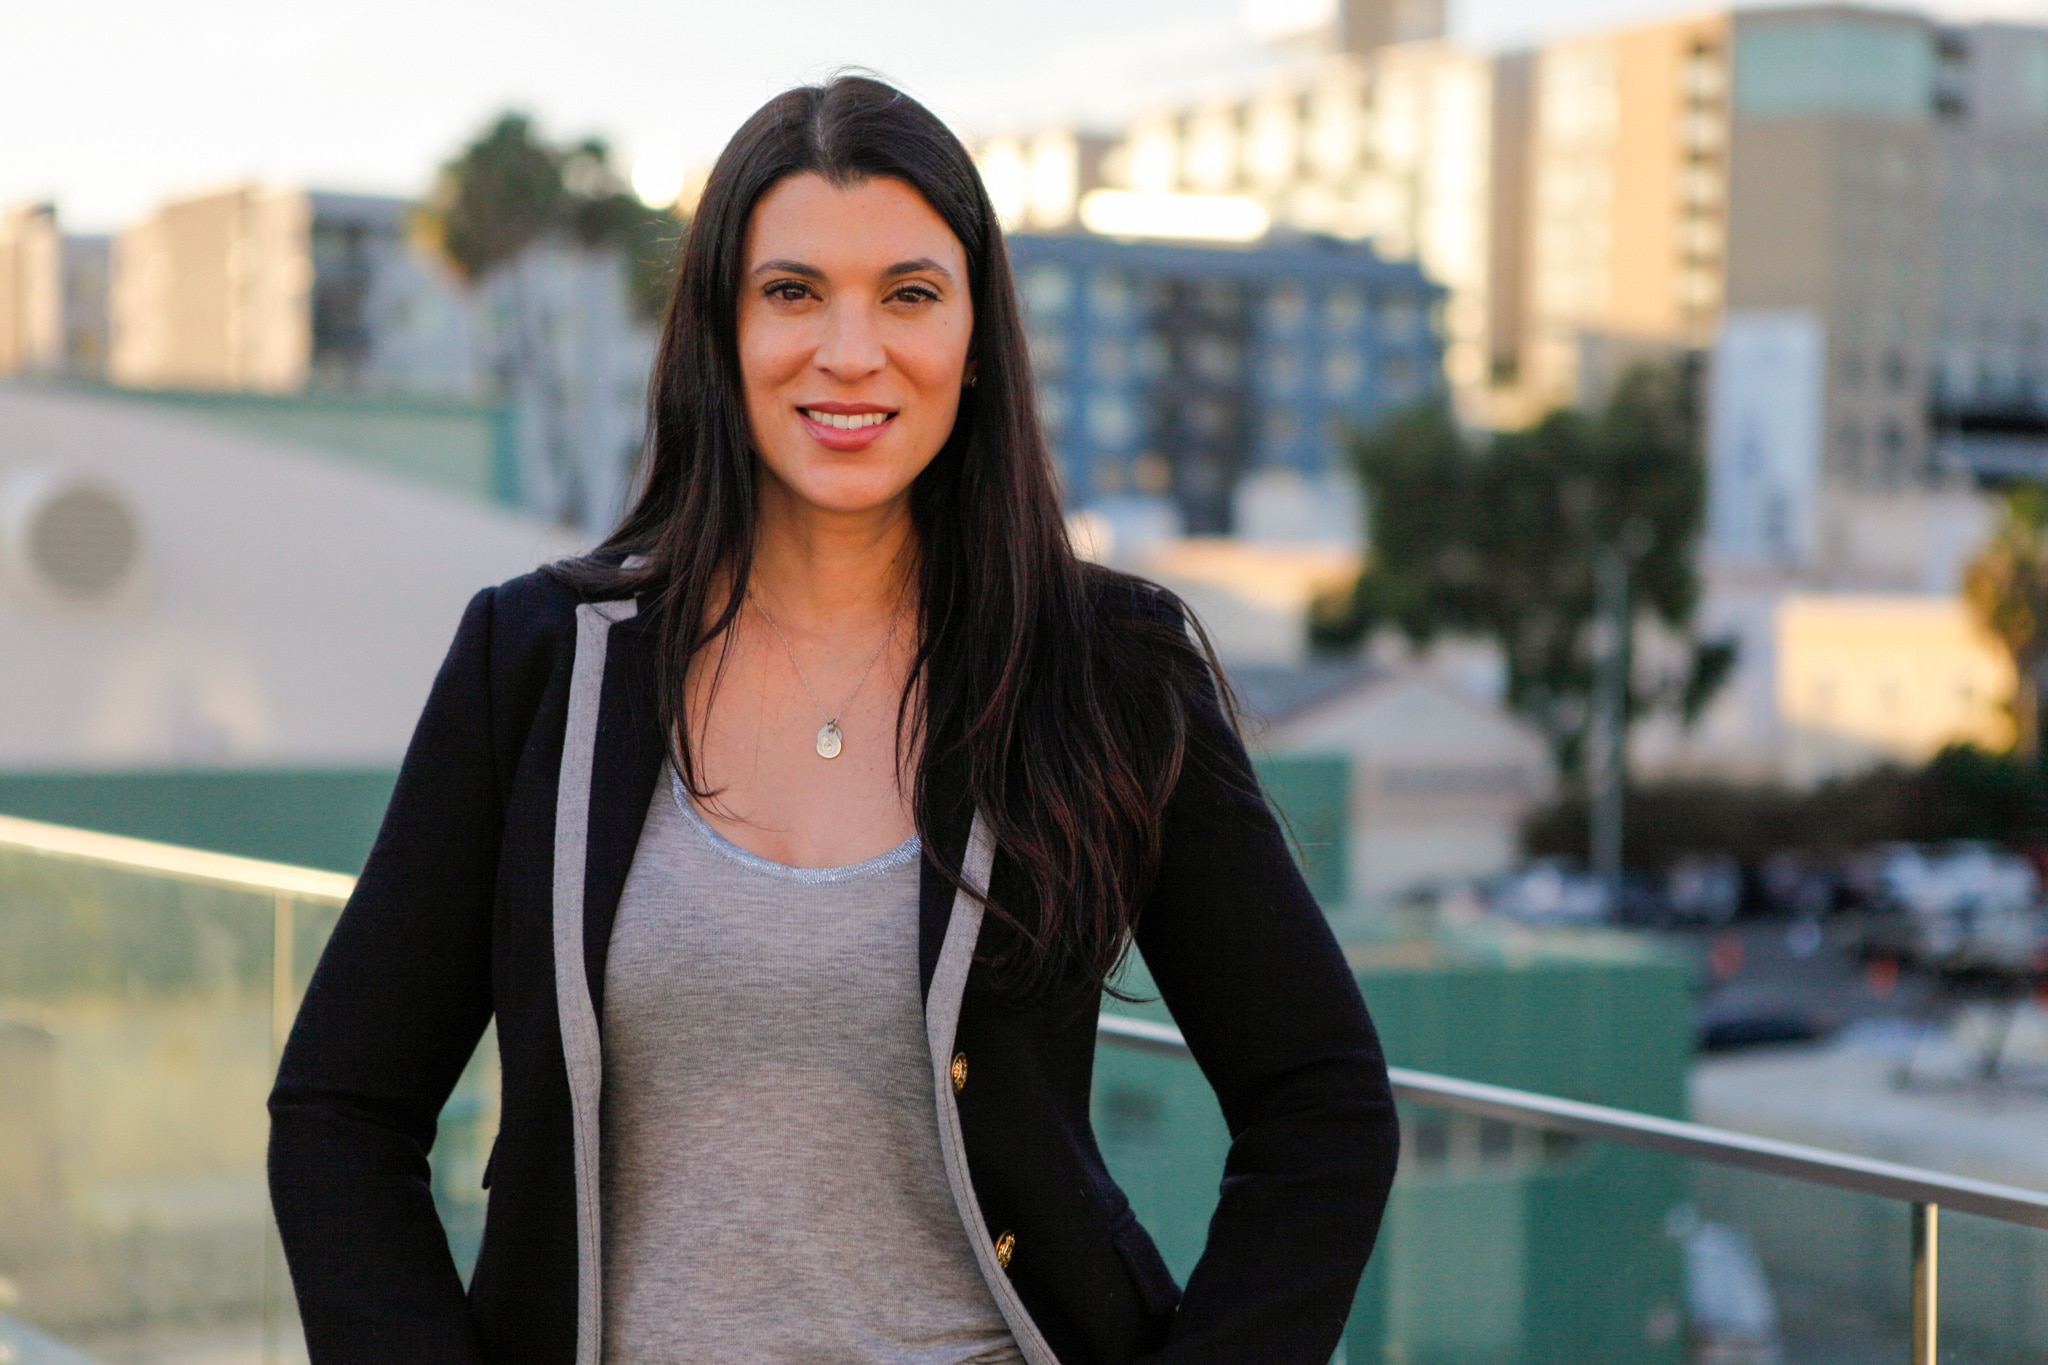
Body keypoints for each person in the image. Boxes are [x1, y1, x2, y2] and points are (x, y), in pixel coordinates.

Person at [268, 75, 1398, 1365]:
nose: (852, 352)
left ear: (976, 336)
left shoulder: (1103, 669)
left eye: (909, 295)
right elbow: (340, 1113)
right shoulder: (536, 664)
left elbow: (1322, 1107)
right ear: (721, 329)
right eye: (794, 292)